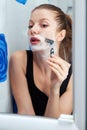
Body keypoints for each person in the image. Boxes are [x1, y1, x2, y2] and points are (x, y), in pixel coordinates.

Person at [9, 4, 73, 118]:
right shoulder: (19, 60)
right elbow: (26, 118)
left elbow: (53, 126)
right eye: (30, 25)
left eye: (43, 25)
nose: (33, 30)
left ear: (60, 35)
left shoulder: (74, 77)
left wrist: (54, 89)